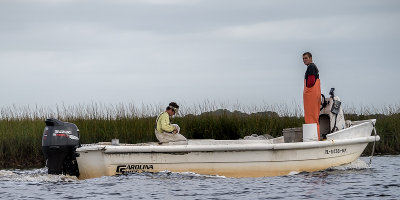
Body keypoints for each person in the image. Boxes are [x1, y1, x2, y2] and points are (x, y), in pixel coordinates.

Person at [302, 52, 322, 140]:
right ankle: (315, 137)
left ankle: (313, 138)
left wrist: (307, 90)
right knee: (314, 117)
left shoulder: (311, 67)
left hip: (311, 95)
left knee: (311, 117)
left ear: (310, 58)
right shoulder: (313, 67)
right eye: (303, 59)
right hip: (314, 94)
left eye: (306, 58)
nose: (304, 60)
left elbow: (310, 82)